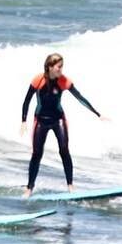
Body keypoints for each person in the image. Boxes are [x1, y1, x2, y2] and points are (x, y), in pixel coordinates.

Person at [22, 52, 102, 195]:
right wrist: (23, 121)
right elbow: (27, 100)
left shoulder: (64, 81)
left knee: (64, 150)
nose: (61, 69)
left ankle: (70, 185)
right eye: (59, 67)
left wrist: (97, 113)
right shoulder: (38, 80)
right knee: (37, 154)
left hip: (58, 119)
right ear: (50, 67)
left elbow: (80, 98)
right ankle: (29, 188)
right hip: (40, 120)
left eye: (62, 66)